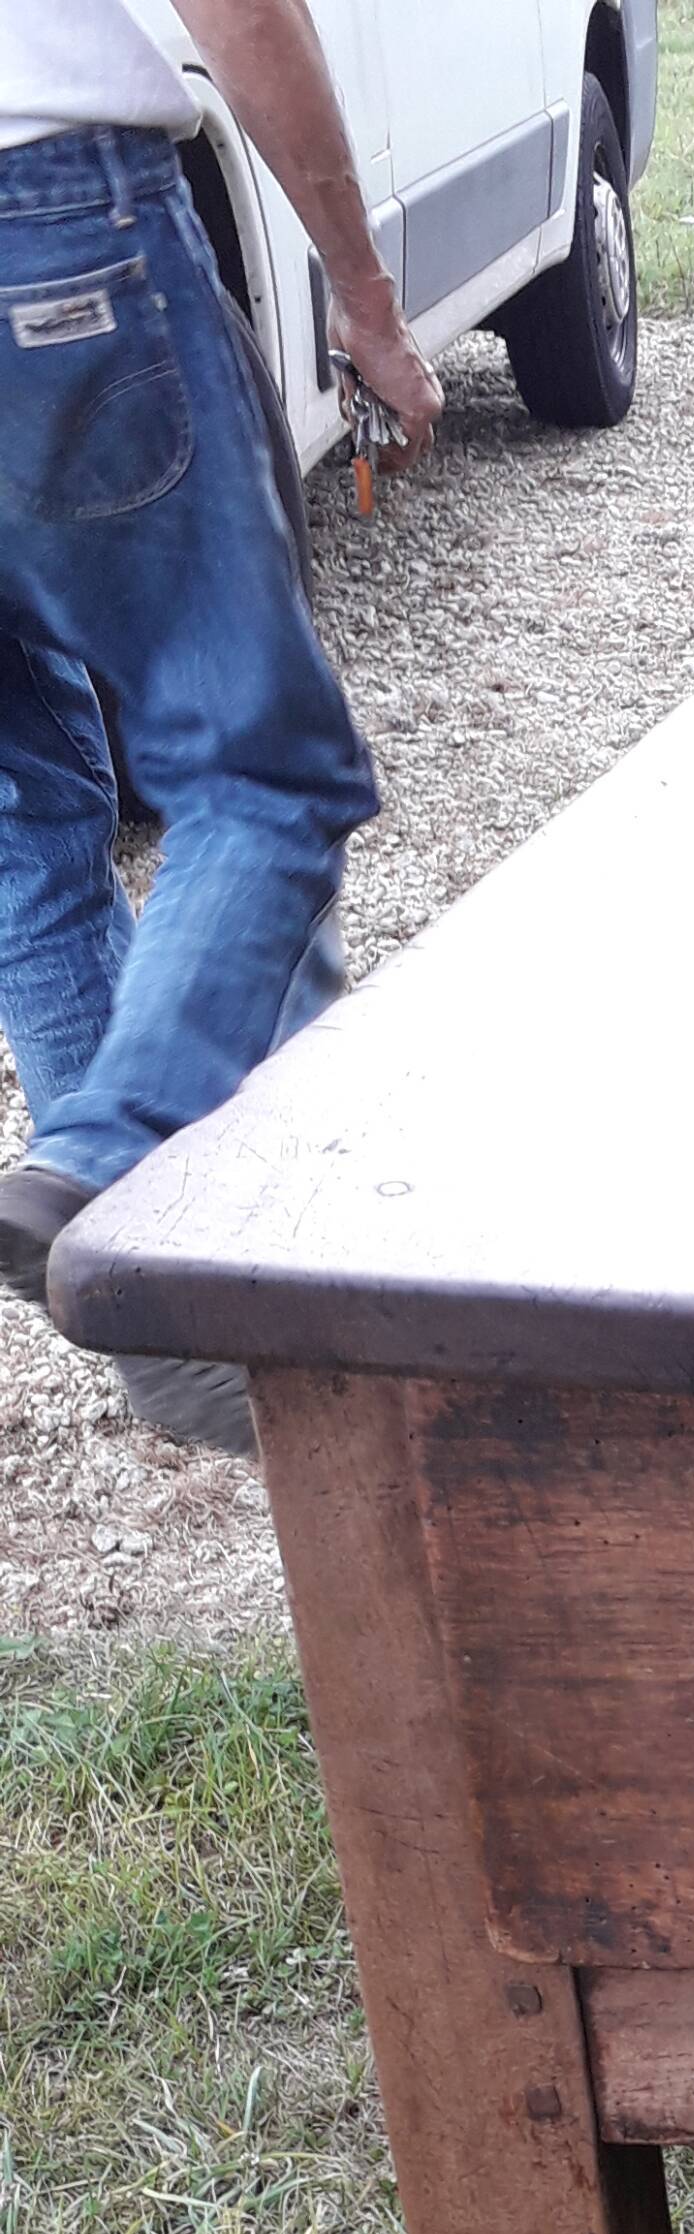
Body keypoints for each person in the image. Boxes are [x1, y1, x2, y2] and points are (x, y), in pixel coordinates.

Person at [0, 0, 439, 1452]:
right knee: (266, 779)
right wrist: (365, 301)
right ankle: (121, 1164)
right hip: (46, 217)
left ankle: (176, 1333)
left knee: (26, 822)